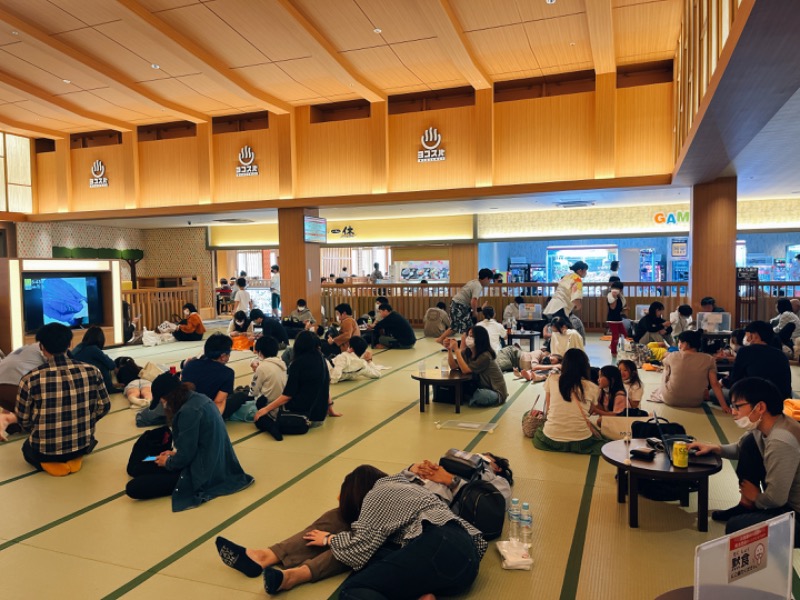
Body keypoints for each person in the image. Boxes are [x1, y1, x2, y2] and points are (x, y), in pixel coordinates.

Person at [303, 467, 486, 600]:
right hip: (466, 568)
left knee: (354, 589)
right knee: (381, 558)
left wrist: (329, 539)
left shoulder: (375, 495)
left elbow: (359, 548)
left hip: (438, 543)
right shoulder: (406, 486)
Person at [690, 378, 800, 546]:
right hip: (781, 500)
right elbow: (741, 449)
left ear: (760, 407)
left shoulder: (781, 441)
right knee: (749, 443)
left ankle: (753, 506)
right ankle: (746, 506)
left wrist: (756, 497)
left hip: (794, 512)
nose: (733, 411)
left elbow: (776, 499)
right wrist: (715, 448)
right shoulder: (766, 425)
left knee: (736, 528)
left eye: (737, 406)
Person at [125, 373, 254, 511]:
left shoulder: (188, 411)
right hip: (211, 461)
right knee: (138, 468)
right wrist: (173, 455)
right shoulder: (198, 399)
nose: (163, 404)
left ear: (169, 397)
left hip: (201, 472)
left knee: (133, 487)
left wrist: (168, 462)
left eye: (162, 400)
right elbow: (194, 446)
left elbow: (186, 456)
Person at [16, 323, 111, 475]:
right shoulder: (92, 371)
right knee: (79, 443)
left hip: (45, 450)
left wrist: (37, 429)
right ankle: (75, 458)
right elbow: (104, 406)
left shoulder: (30, 379)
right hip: (83, 444)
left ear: (42, 347)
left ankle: (50, 464)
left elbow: (23, 419)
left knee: (27, 448)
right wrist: (87, 420)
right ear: (69, 344)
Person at [254, 330, 338, 441]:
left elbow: (287, 396)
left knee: (259, 413)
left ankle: (273, 427)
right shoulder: (321, 359)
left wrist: (265, 410)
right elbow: (325, 385)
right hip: (319, 417)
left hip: (301, 416)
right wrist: (330, 409)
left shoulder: (298, 364)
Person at [532, 348, 604, 455]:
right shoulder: (593, 387)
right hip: (581, 440)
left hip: (551, 439)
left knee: (529, 416)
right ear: (585, 366)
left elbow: (548, 408)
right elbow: (589, 412)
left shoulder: (552, 379)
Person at [655, 330, 729, 411]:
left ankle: (663, 392)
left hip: (671, 399)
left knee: (666, 368)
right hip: (696, 402)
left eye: (680, 342)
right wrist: (724, 406)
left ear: (686, 344)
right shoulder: (709, 359)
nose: (678, 345)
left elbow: (663, 360)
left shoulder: (673, 356)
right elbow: (714, 384)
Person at [725, 320, 792, 400]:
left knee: (713, 392)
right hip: (780, 401)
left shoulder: (745, 351)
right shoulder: (781, 355)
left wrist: (722, 381)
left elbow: (734, 381)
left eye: (746, 335)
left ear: (753, 336)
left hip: (755, 400)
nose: (745, 338)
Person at [446, 326, 508, 407]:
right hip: (480, 386)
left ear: (480, 338)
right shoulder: (467, 352)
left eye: (472, 336)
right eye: (468, 335)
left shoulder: (485, 356)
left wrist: (457, 350)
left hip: (495, 392)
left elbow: (466, 370)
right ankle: (469, 398)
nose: (468, 338)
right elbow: (453, 366)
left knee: (480, 395)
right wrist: (449, 349)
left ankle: (469, 399)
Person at [0, 343, 47, 440]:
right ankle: (9, 419)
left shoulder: (29, 347)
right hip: (17, 385)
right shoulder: (51, 348)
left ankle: (8, 420)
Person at [435, 268, 493, 345]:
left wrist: (479, 309)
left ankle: (464, 342)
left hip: (458, 304)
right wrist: (475, 312)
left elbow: (470, 304)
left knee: (461, 326)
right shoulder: (478, 286)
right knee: (462, 326)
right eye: (489, 280)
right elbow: (473, 301)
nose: (489, 282)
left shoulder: (474, 282)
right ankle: (463, 343)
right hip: (458, 305)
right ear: (486, 278)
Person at [72, 326, 125, 394]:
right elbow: (110, 364)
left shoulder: (79, 346)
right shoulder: (93, 349)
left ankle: (109, 385)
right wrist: (115, 368)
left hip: (77, 378)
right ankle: (109, 388)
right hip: (87, 377)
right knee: (103, 364)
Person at [606, 281, 627, 357]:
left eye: (618, 289)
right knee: (615, 336)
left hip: (618, 319)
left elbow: (620, 307)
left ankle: (612, 345)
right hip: (612, 320)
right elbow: (613, 307)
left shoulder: (620, 296)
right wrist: (614, 297)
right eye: (614, 288)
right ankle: (613, 352)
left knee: (624, 333)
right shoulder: (610, 296)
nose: (616, 290)